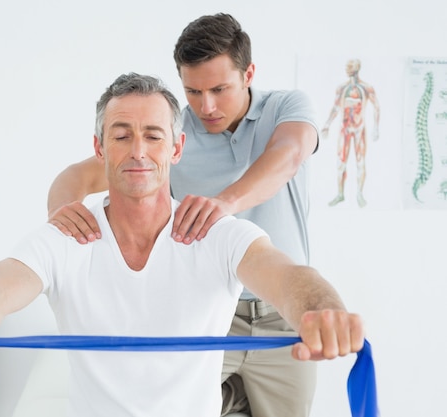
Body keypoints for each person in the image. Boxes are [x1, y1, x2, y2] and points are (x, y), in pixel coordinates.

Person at [0, 73, 363, 417]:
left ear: (177, 148)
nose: (138, 151)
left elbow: (286, 276)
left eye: (153, 136)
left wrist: (321, 309)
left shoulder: (216, 233)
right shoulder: (69, 236)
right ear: (100, 147)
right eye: (122, 135)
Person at [46, 13, 320, 417]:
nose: (205, 105)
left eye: (218, 89)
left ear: (249, 74)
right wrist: (63, 218)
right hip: (205, 314)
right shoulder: (171, 134)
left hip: (281, 316)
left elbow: (289, 156)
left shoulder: (286, 106)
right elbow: (76, 176)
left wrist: (224, 204)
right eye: (192, 90)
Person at [321, 58, 380, 208]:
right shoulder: (341, 88)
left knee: (360, 162)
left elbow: (376, 106)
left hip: (359, 128)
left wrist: (376, 127)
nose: (346, 69)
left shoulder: (366, 88)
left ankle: (359, 194)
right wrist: (327, 124)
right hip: (345, 128)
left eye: (349, 66)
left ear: (356, 68)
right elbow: (335, 108)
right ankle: (340, 194)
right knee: (341, 162)